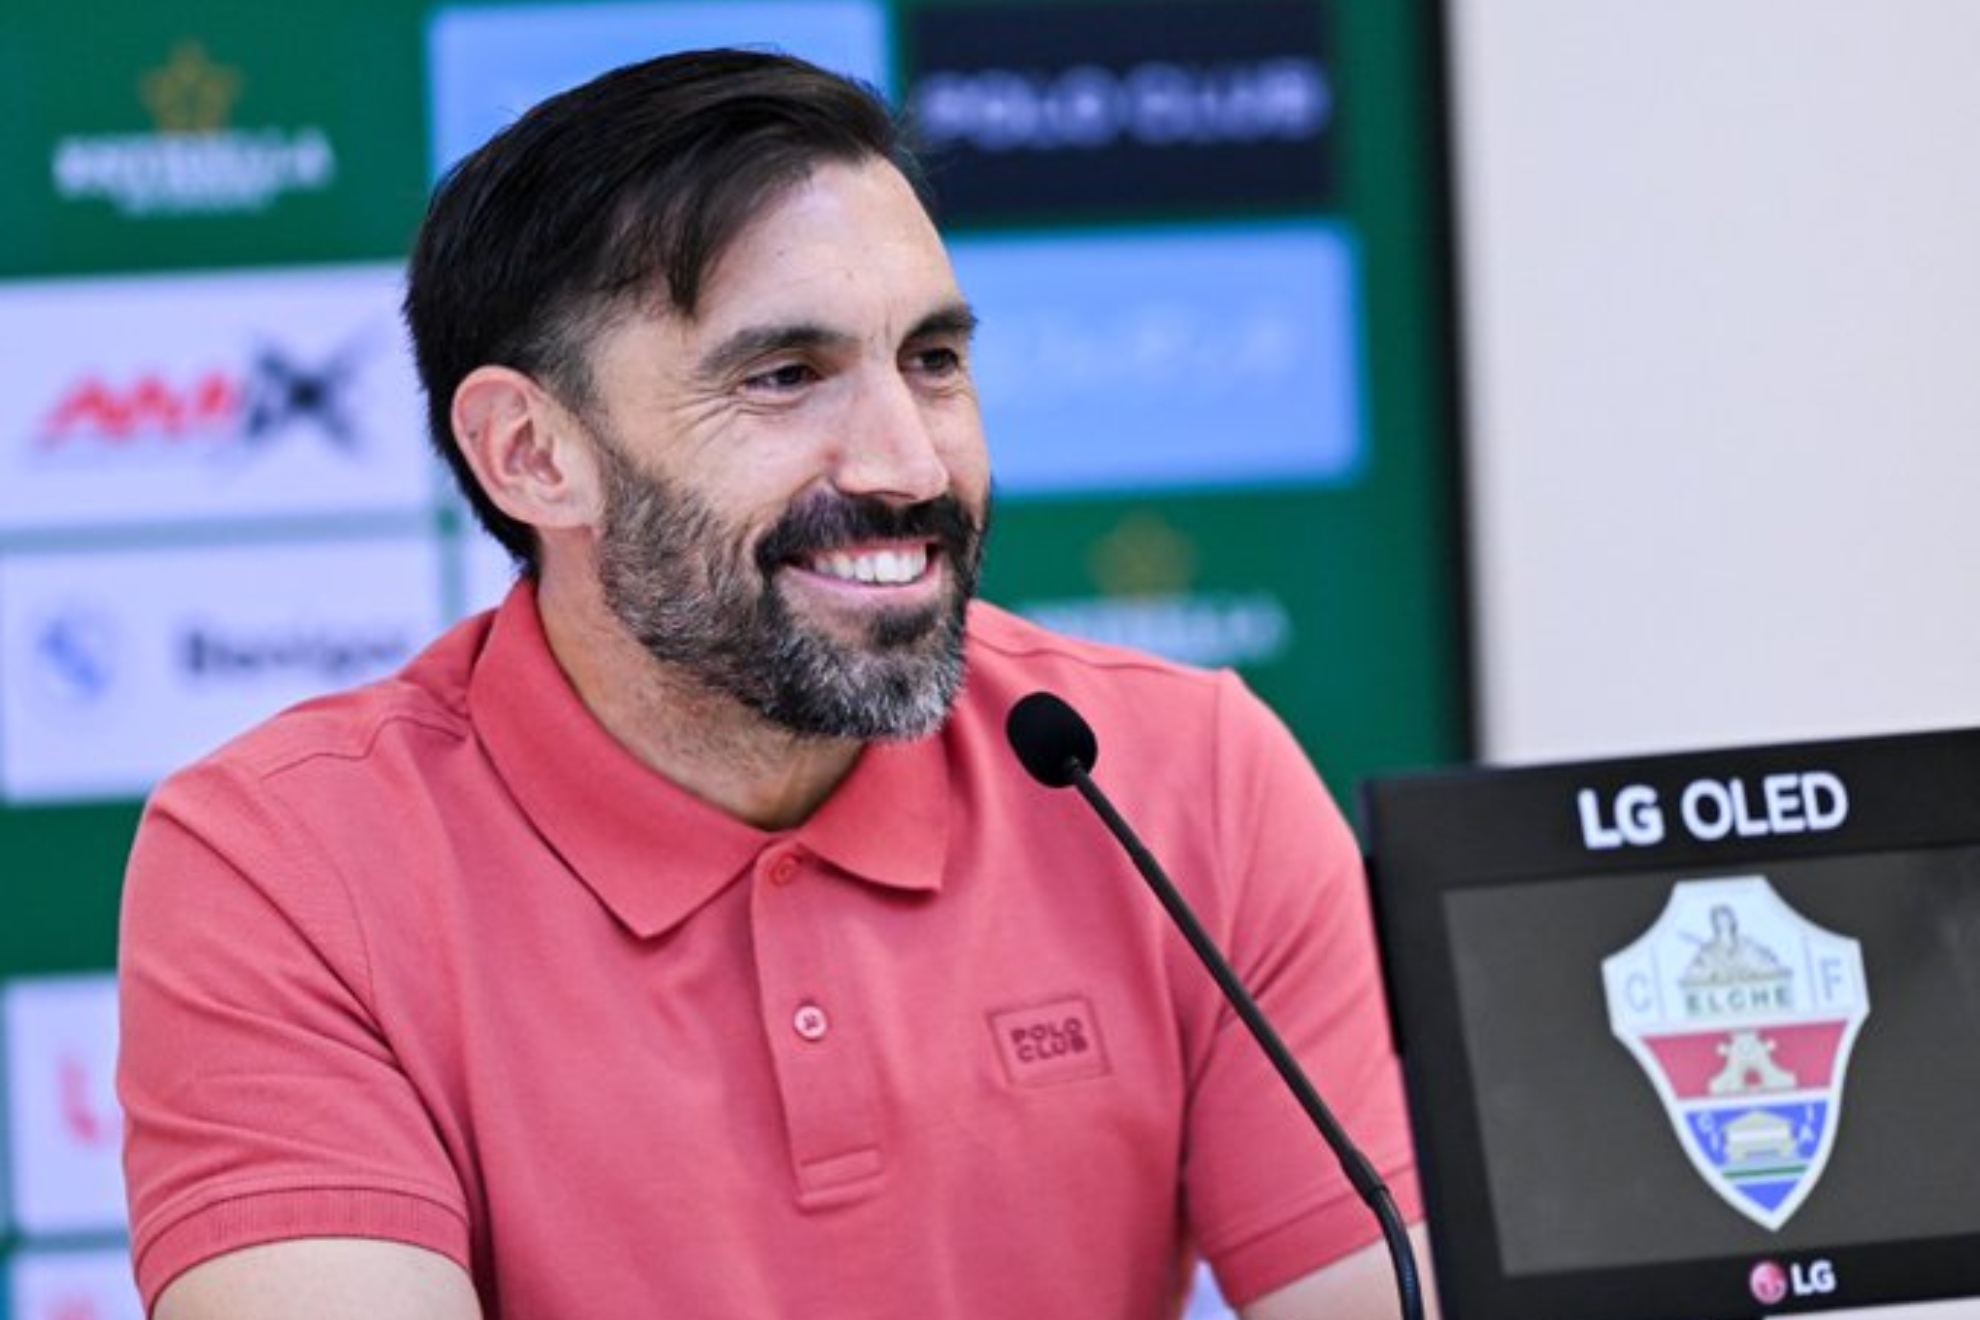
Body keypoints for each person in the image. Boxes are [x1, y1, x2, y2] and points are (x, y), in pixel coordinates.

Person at [117, 48, 1426, 1320]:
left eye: (932, 361)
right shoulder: (287, 861)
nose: (907, 462)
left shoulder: (1176, 772)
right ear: (530, 454)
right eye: (785, 377)